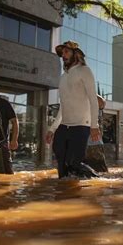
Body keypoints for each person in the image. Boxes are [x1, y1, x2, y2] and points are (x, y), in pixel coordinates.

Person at [45, 40, 100, 179]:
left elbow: (93, 100)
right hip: (64, 127)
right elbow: (63, 105)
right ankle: (64, 194)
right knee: (61, 166)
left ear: (76, 54)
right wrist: (52, 128)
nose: (63, 55)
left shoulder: (84, 71)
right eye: (62, 53)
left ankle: (98, 180)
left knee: (73, 163)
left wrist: (94, 125)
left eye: (66, 52)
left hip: (81, 126)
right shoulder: (63, 77)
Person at [83, 95, 108, 172]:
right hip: (82, 144)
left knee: (100, 173)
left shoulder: (92, 98)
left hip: (94, 144)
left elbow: (101, 102)